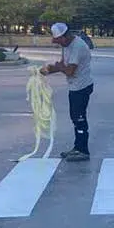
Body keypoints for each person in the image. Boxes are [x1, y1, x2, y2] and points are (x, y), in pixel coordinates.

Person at [39, 22, 94, 160]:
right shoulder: (67, 46)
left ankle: (83, 151)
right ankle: (77, 147)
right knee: (75, 117)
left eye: (59, 41)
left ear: (66, 36)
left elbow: (69, 71)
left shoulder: (78, 46)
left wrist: (58, 66)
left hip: (82, 87)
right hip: (74, 86)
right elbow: (63, 65)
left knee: (79, 118)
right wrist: (49, 70)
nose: (59, 44)